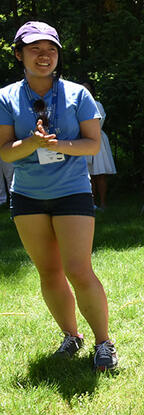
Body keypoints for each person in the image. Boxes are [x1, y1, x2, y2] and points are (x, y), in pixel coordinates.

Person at [0, 21, 117, 371]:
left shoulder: (77, 94)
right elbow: (5, 152)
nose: (44, 56)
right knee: (49, 272)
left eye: (50, 49)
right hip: (28, 196)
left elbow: (93, 143)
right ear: (19, 54)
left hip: (71, 192)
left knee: (79, 270)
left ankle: (104, 342)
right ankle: (71, 336)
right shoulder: (6, 97)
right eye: (35, 49)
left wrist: (58, 144)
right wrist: (32, 144)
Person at [82, 82, 116, 210]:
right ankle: (91, 203)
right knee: (88, 174)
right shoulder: (75, 105)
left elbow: (98, 122)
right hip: (82, 142)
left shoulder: (97, 105)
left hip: (97, 141)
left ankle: (103, 202)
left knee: (100, 173)